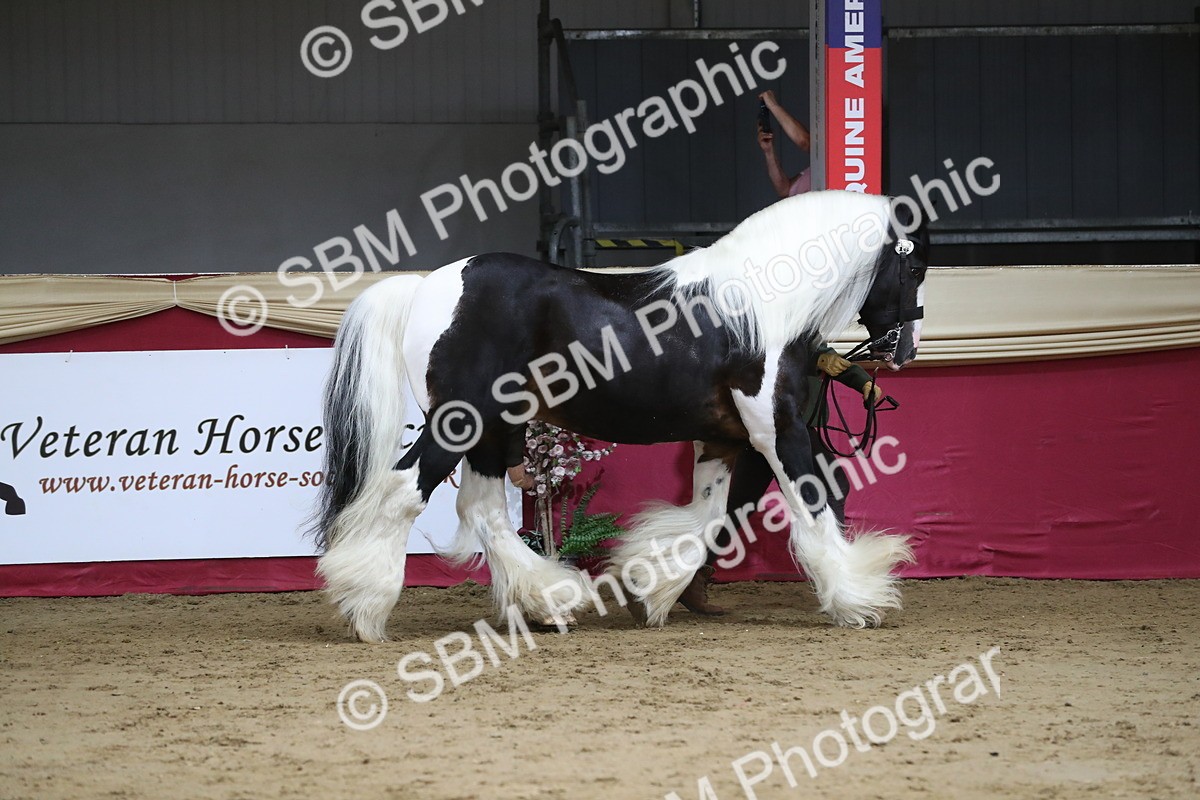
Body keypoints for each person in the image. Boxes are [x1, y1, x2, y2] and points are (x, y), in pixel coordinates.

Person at [757, 89, 812, 198]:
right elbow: (785, 190)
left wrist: (773, 106)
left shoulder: (844, 149)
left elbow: (806, 143)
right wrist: (769, 151)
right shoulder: (818, 168)